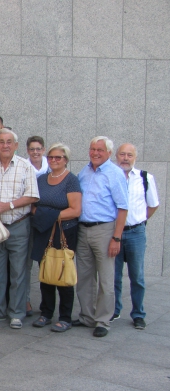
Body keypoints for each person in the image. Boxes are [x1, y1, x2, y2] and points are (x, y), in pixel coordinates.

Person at [0, 128, 39, 329]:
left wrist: (8, 205)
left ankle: (16, 313)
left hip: (18, 225)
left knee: (18, 272)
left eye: (9, 142)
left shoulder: (25, 166)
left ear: (15, 145)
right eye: (1, 142)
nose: (5, 145)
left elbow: (32, 196)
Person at [74, 136, 128, 338]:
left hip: (105, 230)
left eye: (100, 150)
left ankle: (103, 320)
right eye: (92, 149)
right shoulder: (85, 171)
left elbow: (123, 208)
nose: (95, 153)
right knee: (85, 277)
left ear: (109, 153)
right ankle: (87, 316)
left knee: (106, 278)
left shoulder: (115, 174)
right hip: (83, 229)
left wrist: (116, 237)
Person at [30, 144, 82, 332]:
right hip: (43, 230)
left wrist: (49, 215)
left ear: (66, 160)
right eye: (51, 157)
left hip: (64, 232)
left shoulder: (71, 180)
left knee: (62, 271)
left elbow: (75, 210)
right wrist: (42, 215)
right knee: (46, 272)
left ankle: (65, 317)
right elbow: (33, 204)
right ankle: (46, 313)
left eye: (58, 158)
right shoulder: (42, 179)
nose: (54, 160)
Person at [113, 143, 159, 329]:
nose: (125, 158)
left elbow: (153, 204)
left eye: (129, 155)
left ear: (135, 157)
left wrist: (139, 220)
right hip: (114, 233)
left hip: (135, 233)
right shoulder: (112, 176)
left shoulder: (145, 178)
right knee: (114, 275)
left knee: (137, 276)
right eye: (122, 154)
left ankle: (138, 314)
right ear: (116, 156)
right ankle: (114, 310)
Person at [24, 135, 49, 316]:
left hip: (46, 222)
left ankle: (47, 305)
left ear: (43, 150)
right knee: (25, 265)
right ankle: (25, 301)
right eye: (32, 149)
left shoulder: (52, 168)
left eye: (38, 149)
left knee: (46, 263)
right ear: (27, 150)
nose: (35, 152)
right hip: (27, 220)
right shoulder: (23, 167)